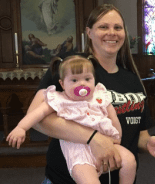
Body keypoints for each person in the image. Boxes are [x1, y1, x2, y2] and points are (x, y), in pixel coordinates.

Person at [26, 4, 155, 184]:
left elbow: (140, 135)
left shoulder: (132, 80)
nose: (112, 32)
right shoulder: (72, 69)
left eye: (117, 27)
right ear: (89, 32)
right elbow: (38, 119)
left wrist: (148, 143)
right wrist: (92, 138)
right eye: (103, 27)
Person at [7, 55, 137, 184]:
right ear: (62, 84)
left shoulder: (100, 95)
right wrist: (21, 127)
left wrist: (117, 138)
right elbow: (37, 114)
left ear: (94, 80)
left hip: (107, 143)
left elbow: (112, 117)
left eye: (87, 79)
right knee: (88, 180)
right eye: (74, 80)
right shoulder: (60, 100)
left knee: (130, 161)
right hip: (78, 151)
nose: (82, 84)